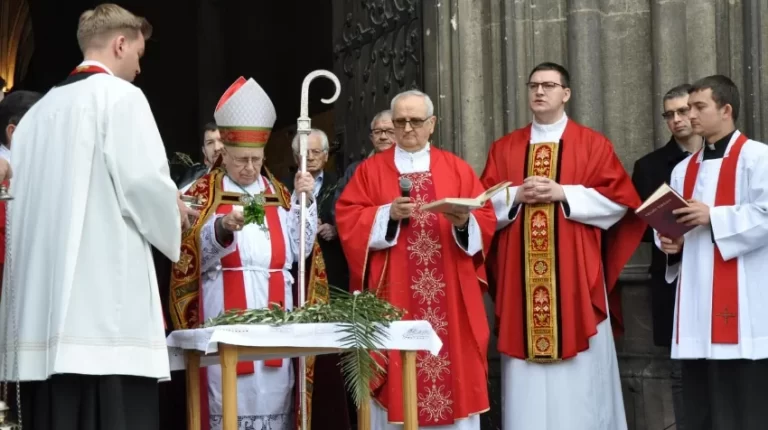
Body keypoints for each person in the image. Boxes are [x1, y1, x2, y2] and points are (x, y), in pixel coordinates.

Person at [0, 4, 194, 430]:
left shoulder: (36, 116)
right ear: (120, 44)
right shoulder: (121, 99)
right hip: (105, 314)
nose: (140, 69)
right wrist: (174, 211)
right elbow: (144, 184)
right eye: (139, 55)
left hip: (43, 316)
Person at [480, 62, 645, 430]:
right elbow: (482, 206)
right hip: (521, 281)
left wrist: (563, 193)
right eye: (534, 85)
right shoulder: (505, 147)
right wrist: (515, 195)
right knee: (527, 383)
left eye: (549, 85)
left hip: (575, 276)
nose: (539, 92)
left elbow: (620, 201)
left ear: (565, 93)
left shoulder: (592, 144)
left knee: (580, 381)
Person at [169, 76, 328, 429]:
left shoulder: (275, 193)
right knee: (229, 395)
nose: (250, 168)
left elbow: (300, 250)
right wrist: (222, 230)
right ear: (223, 152)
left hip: (275, 307)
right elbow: (187, 255)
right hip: (224, 306)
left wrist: (305, 202)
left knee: (276, 392)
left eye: (256, 159)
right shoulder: (203, 192)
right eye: (242, 160)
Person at [336, 89, 496, 430]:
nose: (407, 129)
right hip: (395, 296)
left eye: (416, 121)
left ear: (432, 124)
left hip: (449, 295)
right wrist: (386, 215)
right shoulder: (370, 171)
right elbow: (348, 220)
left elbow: (486, 218)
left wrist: (465, 223)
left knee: (454, 372)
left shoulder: (457, 168)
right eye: (400, 121)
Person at [657, 75, 768, 430]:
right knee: (698, 400)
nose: (691, 116)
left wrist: (714, 217)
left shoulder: (758, 157)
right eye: (689, 108)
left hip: (744, 299)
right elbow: (677, 232)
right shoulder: (681, 170)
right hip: (694, 303)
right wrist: (671, 245)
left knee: (741, 404)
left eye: (699, 107)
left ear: (726, 110)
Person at [632, 83, 702, 429]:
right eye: (669, 114)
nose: (677, 120)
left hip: (722, 272)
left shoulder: (732, 158)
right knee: (679, 368)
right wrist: (663, 235)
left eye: (683, 110)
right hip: (672, 274)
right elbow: (637, 224)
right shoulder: (650, 166)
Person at [332, 109, 395, 215]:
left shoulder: (410, 167)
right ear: (371, 138)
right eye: (377, 132)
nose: (383, 137)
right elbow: (340, 209)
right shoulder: (355, 169)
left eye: (390, 132)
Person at [177, 121, 224, 192]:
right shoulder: (189, 184)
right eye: (210, 143)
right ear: (204, 151)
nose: (216, 148)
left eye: (221, 140)